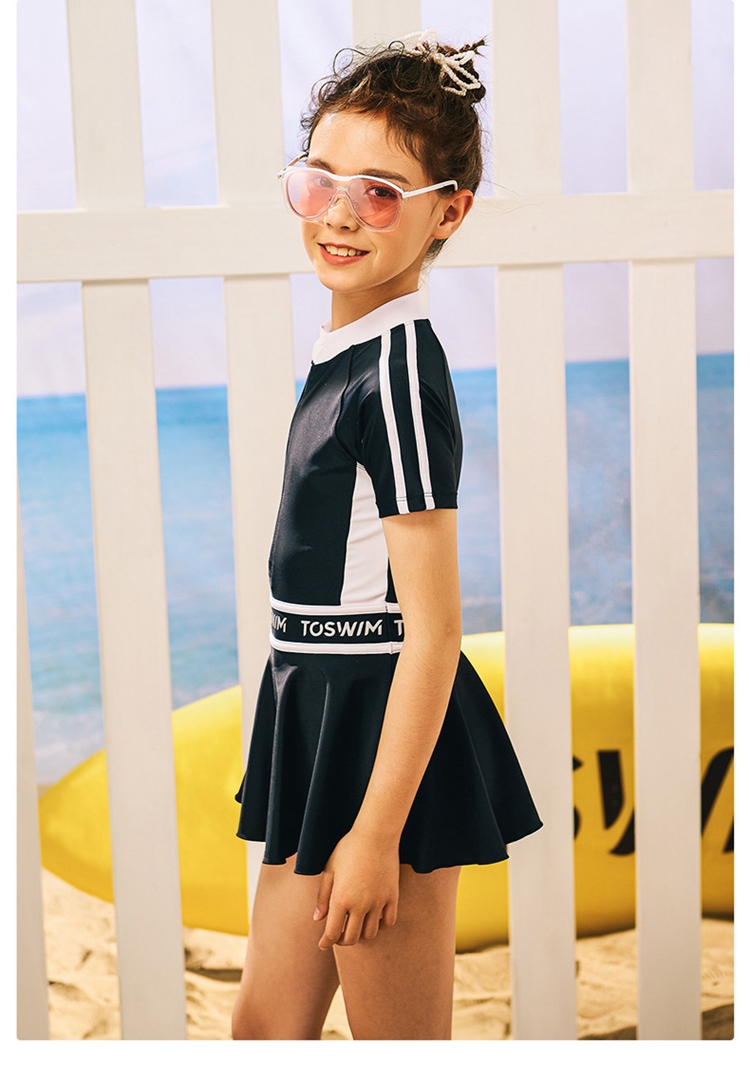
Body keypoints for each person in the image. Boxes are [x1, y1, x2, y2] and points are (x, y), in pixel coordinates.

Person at [231, 30, 542, 1041]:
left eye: (378, 193)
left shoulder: (400, 370)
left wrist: (376, 834)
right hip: (316, 720)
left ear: (448, 211)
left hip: (382, 743)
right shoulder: (347, 350)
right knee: (264, 1033)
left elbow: (435, 628)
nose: (337, 212)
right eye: (320, 179)